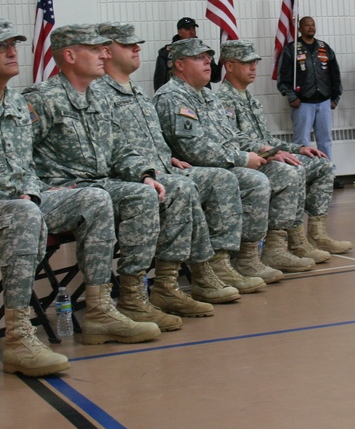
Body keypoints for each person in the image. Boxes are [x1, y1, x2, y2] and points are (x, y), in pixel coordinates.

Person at [0, 18, 156, 378]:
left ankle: (99, 311)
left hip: (17, 203)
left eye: (12, 44)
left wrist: (32, 189)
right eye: (0, 46)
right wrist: (12, 196)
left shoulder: (16, 103)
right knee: (23, 214)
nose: (12, 51)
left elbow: (27, 164)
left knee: (93, 199)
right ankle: (18, 337)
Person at [23, 25, 238, 321]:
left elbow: (120, 148)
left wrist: (145, 173)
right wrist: (40, 187)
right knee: (144, 195)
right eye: (95, 49)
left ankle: (155, 288)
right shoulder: (42, 98)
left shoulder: (96, 98)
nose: (103, 54)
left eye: (104, 48)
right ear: (70, 55)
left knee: (157, 189)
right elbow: (19, 153)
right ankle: (122, 300)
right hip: (68, 191)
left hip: (102, 183)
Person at [93, 21, 266, 297]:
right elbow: (109, 148)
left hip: (159, 169)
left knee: (216, 180)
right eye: (127, 44)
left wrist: (166, 157)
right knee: (199, 185)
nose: (137, 48)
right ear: (105, 51)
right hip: (130, 178)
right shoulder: (100, 94)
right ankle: (180, 279)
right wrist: (149, 169)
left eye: (209, 58)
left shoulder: (136, 91)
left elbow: (153, 138)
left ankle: (215, 265)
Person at [154, 38, 311, 275]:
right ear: (179, 65)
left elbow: (233, 136)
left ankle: (269, 251)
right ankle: (232, 261)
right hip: (200, 168)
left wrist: (264, 151)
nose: (208, 62)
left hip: (225, 161)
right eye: (199, 58)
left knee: (286, 170)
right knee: (253, 181)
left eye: (208, 57)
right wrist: (241, 159)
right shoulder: (172, 97)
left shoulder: (207, 97)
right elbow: (193, 149)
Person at [218, 39, 352, 258]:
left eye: (255, 62)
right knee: (292, 170)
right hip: (249, 161)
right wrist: (273, 152)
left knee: (322, 164)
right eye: (246, 63)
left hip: (266, 156)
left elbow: (266, 138)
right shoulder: (222, 99)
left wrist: (298, 148)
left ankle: (316, 233)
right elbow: (234, 140)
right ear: (229, 65)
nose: (253, 68)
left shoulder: (251, 99)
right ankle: (282, 244)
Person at [276, 16, 344, 188]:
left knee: (325, 140)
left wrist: (335, 97)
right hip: (303, 103)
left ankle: (328, 173)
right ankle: (304, 175)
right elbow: (283, 78)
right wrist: (292, 97)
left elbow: (335, 74)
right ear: (300, 29)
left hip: (324, 102)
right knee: (301, 141)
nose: (310, 27)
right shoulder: (291, 49)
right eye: (306, 25)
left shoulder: (324, 48)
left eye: (313, 25)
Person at [152, 17, 221, 90]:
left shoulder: (204, 51)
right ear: (179, 32)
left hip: (202, 95)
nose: (192, 32)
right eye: (187, 29)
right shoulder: (167, 53)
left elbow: (215, 78)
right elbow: (159, 83)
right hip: (177, 96)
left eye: (193, 29)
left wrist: (222, 62)